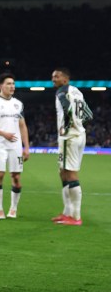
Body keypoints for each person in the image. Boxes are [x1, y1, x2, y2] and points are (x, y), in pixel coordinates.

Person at [0, 73, 30, 219]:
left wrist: (26, 147)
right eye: (9, 83)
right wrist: (4, 134)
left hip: (15, 146)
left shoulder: (18, 104)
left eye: (13, 84)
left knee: (16, 177)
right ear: (1, 86)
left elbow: (22, 125)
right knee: (0, 174)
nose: (12, 86)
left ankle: (13, 208)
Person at [51, 67, 92, 225]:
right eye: (53, 77)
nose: (54, 79)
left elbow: (68, 109)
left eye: (57, 76)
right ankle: (67, 212)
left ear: (65, 79)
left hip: (69, 136)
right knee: (63, 172)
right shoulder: (77, 92)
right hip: (79, 135)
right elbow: (88, 114)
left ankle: (75, 217)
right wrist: (79, 126)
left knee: (70, 173)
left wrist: (67, 128)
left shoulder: (62, 91)